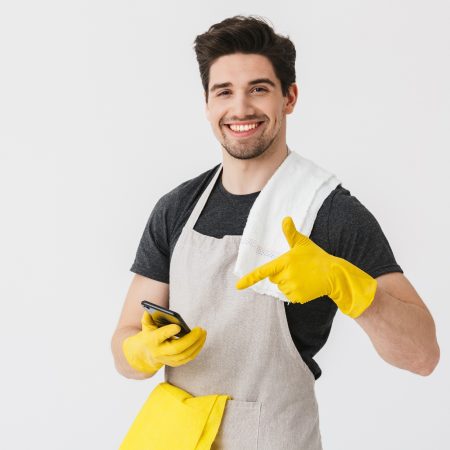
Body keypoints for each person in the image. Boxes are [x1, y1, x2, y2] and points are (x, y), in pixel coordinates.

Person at [111, 15, 440, 449]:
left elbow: (422, 355)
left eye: (259, 89)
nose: (241, 108)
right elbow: (124, 343)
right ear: (207, 105)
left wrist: (346, 283)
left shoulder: (330, 213)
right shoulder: (177, 209)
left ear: (290, 97)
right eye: (224, 91)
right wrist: (143, 351)